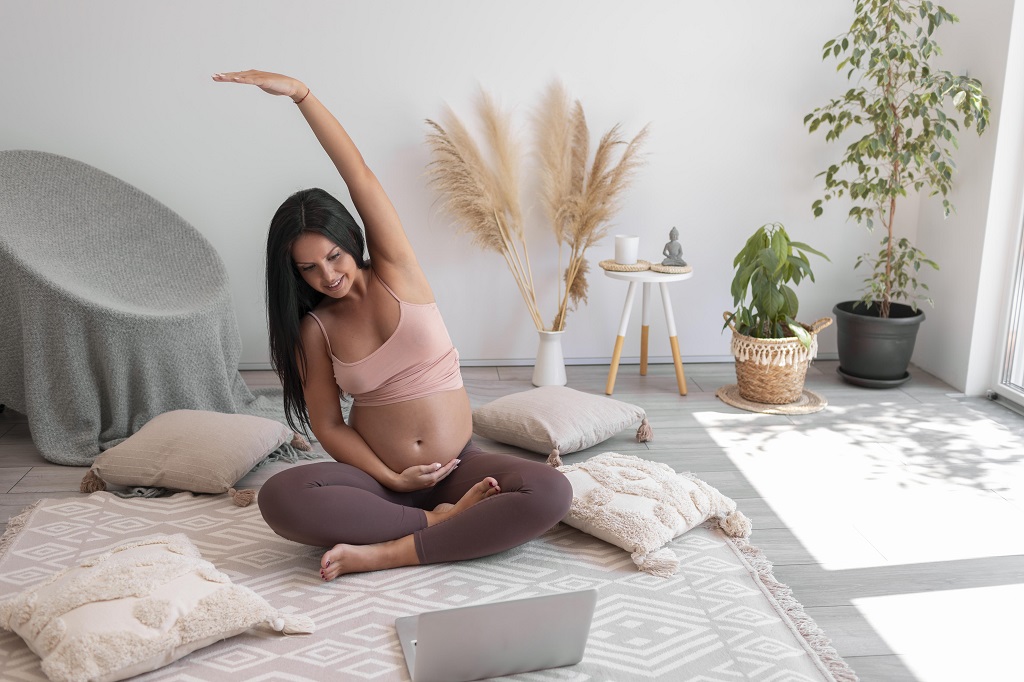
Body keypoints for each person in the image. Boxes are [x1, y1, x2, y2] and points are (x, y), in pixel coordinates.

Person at [211, 70, 572, 582]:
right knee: (280, 498)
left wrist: (303, 96)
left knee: (553, 491)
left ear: (349, 240)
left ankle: (390, 552)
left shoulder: (397, 272)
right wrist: (391, 479)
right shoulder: (316, 328)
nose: (328, 275)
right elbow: (329, 425)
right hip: (380, 481)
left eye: (334, 256)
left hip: (456, 468)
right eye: (308, 268)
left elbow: (360, 176)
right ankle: (432, 523)